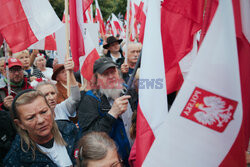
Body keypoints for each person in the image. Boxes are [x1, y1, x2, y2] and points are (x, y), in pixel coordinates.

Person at [77, 57, 134, 166]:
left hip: (136, 157)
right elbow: (88, 138)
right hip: (114, 162)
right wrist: (112, 114)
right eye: (105, 74)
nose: (111, 76)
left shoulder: (128, 90)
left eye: (113, 72)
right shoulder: (90, 99)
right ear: (96, 78)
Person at [3, 90, 79, 166]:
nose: (40, 120)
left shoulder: (69, 129)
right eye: (31, 118)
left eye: (43, 112)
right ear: (20, 124)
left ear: (51, 111)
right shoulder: (17, 159)